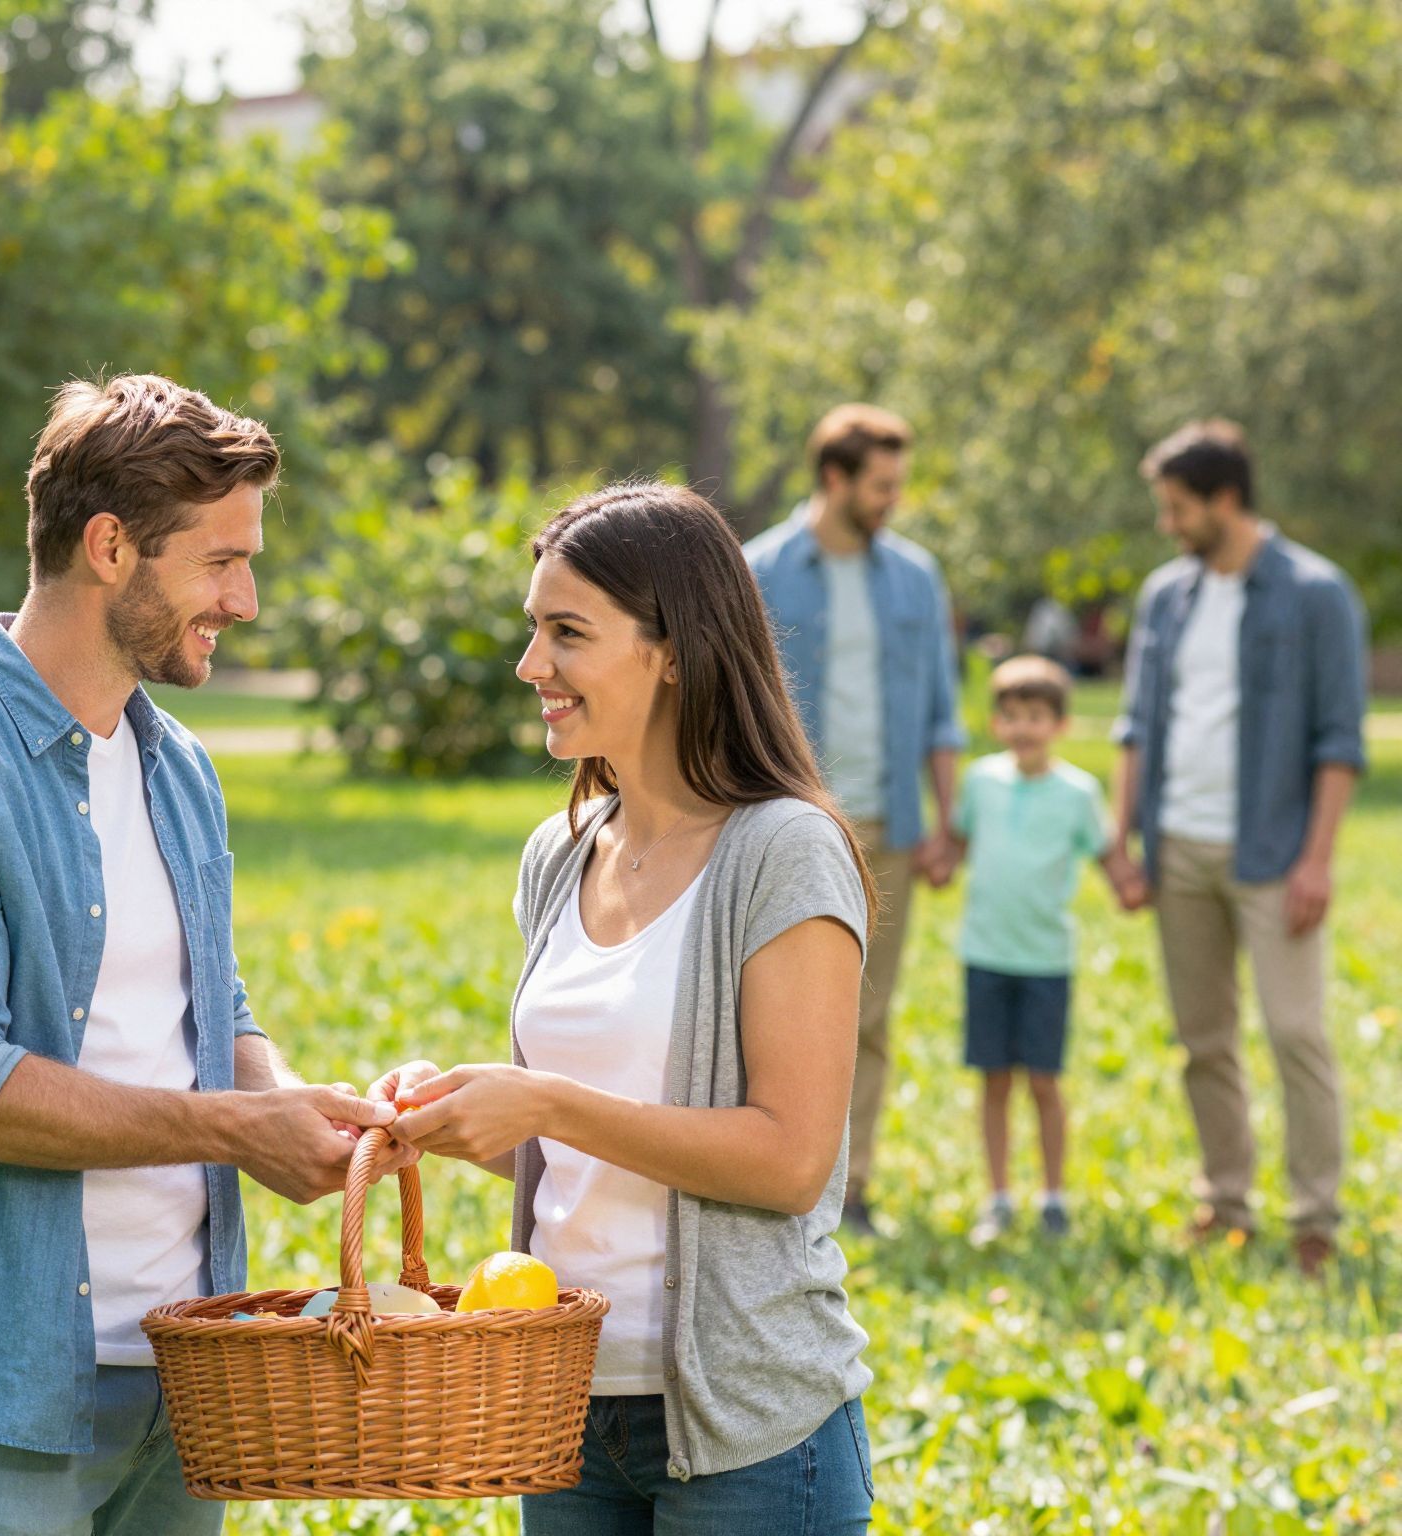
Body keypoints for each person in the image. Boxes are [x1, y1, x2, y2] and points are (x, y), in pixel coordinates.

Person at [0, 374, 404, 1535]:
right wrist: (236, 1129)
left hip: (186, 1371)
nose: (243, 598)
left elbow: (209, 1004)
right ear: (108, 547)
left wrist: (294, 1104)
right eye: (221, 560)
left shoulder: (176, 764)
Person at [380, 481, 878, 1534]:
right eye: (532, 631)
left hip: (743, 1427)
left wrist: (547, 1103)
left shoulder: (781, 853)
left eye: (567, 633)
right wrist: (466, 1116)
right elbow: (585, 1154)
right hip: (564, 1408)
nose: (531, 668)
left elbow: (790, 1162)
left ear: (674, 652)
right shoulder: (558, 856)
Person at [1112, 420, 1367, 1275]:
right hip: (1177, 845)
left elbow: (1340, 741)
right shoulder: (1166, 597)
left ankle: (1315, 1215)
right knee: (1204, 1039)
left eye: (1179, 508)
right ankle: (1227, 1201)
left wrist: (1318, 858)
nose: (1169, 524)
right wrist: (1123, 838)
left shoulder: (1317, 594)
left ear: (1226, 499)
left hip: (1274, 852)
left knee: (1297, 1032)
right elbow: (1138, 725)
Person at [743, 404, 966, 1237]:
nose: (892, 501)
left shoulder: (916, 577)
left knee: (868, 1017)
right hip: (786, 826)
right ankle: (773, 1175)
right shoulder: (757, 569)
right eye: (880, 486)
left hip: (890, 829)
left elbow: (943, 707)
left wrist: (948, 820)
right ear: (833, 479)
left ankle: (851, 1185)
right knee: (767, 1018)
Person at [948, 656, 1141, 1246]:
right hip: (985, 954)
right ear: (996, 722)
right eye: (1010, 716)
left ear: (1060, 724)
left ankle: (1053, 1198)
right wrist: (931, 863)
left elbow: (1107, 854)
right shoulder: (980, 781)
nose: (1022, 728)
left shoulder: (1079, 793)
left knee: (1045, 1084)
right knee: (994, 1083)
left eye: (1035, 716)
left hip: (1046, 962)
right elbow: (955, 842)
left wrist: (1129, 885)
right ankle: (999, 1196)